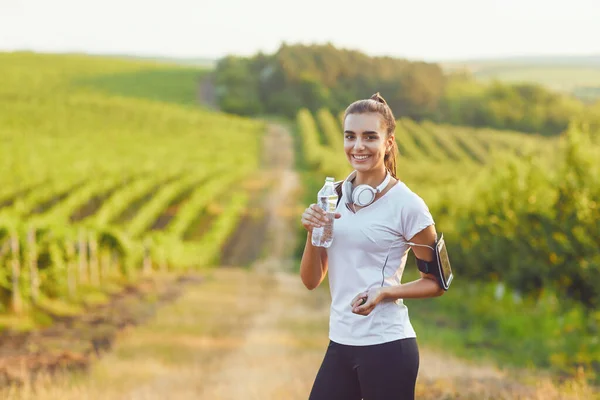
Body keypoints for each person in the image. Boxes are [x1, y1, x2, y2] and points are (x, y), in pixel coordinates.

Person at [299, 93, 445, 400]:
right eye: (350, 136)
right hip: (340, 341)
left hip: (388, 347)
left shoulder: (409, 206)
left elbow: (437, 283)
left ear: (389, 142)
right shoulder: (331, 195)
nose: (358, 146)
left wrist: (386, 291)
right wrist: (313, 233)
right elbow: (311, 280)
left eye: (369, 137)